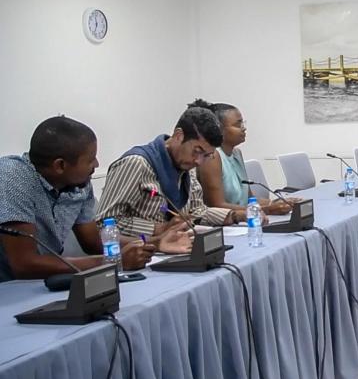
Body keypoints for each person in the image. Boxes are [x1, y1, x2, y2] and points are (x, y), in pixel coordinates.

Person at [0, 117, 191, 282]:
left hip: (44, 283)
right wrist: (113, 262)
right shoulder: (13, 178)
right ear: (60, 165)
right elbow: (24, 264)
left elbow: (93, 242)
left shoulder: (78, 182)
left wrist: (155, 243)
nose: (97, 164)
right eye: (90, 159)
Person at [97, 106, 247, 238]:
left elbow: (197, 212)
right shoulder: (136, 164)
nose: (199, 161)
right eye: (197, 151)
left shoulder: (185, 165)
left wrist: (236, 215)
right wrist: (158, 229)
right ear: (178, 136)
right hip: (141, 251)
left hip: (175, 248)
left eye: (206, 156)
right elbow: (104, 223)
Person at [189, 99, 297, 217]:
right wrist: (267, 210)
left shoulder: (237, 153)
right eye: (237, 125)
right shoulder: (212, 157)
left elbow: (249, 199)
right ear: (219, 129)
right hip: (227, 223)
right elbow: (217, 205)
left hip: (246, 219)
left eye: (242, 123)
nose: (243, 128)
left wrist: (280, 202)